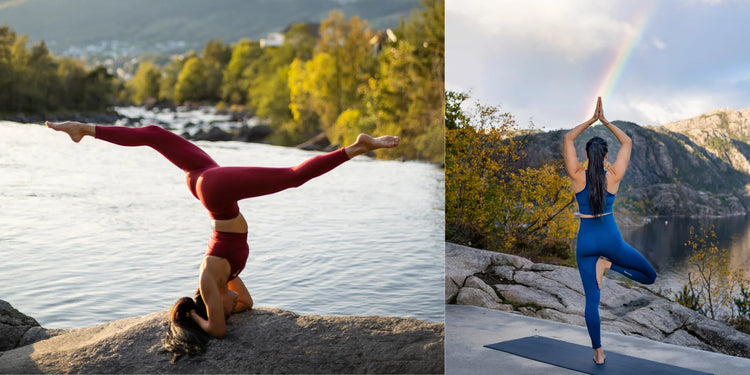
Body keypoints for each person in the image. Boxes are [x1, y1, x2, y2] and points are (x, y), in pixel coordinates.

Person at [46, 120, 399, 360]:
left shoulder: (210, 280)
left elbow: (217, 330)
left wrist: (191, 318)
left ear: (210, 302)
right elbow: (246, 303)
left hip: (214, 190)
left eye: (224, 307)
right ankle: (84, 129)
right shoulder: (226, 279)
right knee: (153, 133)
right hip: (205, 182)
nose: (235, 307)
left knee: (293, 177)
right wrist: (224, 305)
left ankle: (356, 148)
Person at [562, 97, 656, 365]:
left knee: (592, 301)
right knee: (649, 276)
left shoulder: (576, 174)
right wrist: (605, 121)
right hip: (611, 241)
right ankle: (609, 265)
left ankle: (598, 352)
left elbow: (568, 139)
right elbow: (627, 142)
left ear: (585, 156)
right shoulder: (612, 175)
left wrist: (590, 120)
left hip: (586, 243)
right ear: (605, 157)